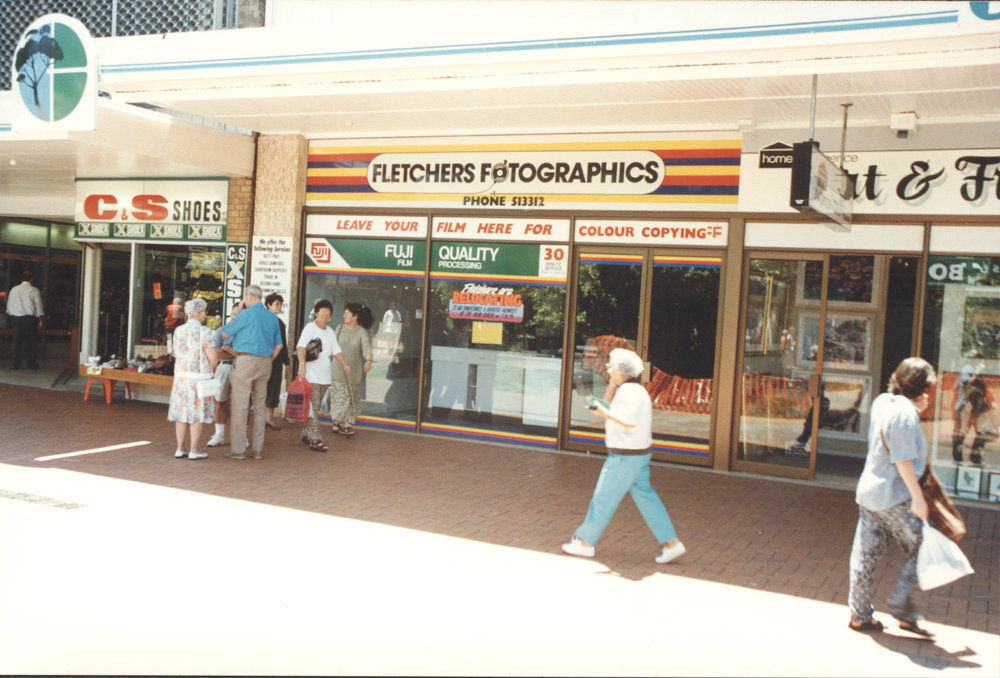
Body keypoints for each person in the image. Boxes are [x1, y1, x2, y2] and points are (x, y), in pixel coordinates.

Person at [561, 348, 686, 564]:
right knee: (648, 500)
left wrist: (605, 413)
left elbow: (627, 420)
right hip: (638, 455)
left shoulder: (629, 393)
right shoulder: (632, 390)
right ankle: (672, 544)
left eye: (611, 364)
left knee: (603, 499)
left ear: (622, 369)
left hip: (624, 457)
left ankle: (586, 543)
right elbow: (607, 408)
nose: (607, 367)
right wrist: (611, 386)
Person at [847, 357, 935, 636]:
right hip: (895, 496)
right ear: (922, 388)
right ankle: (903, 609)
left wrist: (915, 409)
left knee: (865, 555)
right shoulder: (905, 414)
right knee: (921, 546)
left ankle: (859, 614)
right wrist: (918, 498)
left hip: (869, 492)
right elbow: (903, 460)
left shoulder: (883, 402)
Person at [220, 284, 283, 460]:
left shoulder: (245, 314)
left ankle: (238, 451)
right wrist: (268, 359)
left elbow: (226, 333)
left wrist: (237, 311)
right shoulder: (272, 318)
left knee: (240, 405)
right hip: (265, 363)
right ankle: (258, 450)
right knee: (260, 406)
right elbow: (278, 345)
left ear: (248, 296)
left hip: (245, 361)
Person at [167, 298, 218, 460]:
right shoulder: (205, 332)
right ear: (200, 312)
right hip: (199, 378)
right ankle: (194, 449)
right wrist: (213, 368)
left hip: (181, 378)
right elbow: (212, 356)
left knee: (181, 414)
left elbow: (175, 353)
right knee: (197, 415)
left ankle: (180, 448)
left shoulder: (178, 331)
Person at [296, 299, 350, 452]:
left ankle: (306, 433)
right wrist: (302, 365)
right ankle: (314, 439)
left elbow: (336, 351)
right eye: (322, 313)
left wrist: (344, 364)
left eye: (328, 314)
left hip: (325, 375)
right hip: (311, 374)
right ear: (316, 314)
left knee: (315, 406)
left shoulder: (330, 332)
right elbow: (301, 347)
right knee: (313, 406)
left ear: (331, 317)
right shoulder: (309, 328)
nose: (325, 316)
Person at [330, 302, 374, 437]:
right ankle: (341, 422)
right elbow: (332, 346)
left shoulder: (361, 332)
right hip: (338, 368)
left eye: (347, 313)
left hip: (353, 371)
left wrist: (368, 360)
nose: (343, 316)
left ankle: (342, 423)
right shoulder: (339, 328)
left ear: (355, 316)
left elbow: (367, 348)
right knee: (339, 395)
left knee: (349, 396)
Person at [206, 301, 242, 448]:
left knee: (242, 404)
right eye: (233, 314)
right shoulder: (221, 331)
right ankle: (219, 434)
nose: (234, 317)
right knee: (221, 402)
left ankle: (241, 437)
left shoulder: (248, 333)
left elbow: (248, 355)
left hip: (241, 368)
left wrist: (230, 351)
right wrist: (233, 353)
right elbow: (215, 353)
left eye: (238, 315)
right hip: (224, 368)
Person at [7, 270, 44, 370]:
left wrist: (12, 315)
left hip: (16, 318)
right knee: (31, 342)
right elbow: (38, 306)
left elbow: (9, 305)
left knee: (16, 341)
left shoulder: (14, 290)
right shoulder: (34, 290)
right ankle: (31, 364)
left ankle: (15, 364)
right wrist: (40, 319)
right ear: (31, 279)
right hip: (30, 319)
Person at [952, 364, 988, 465]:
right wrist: (977, 372)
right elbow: (966, 384)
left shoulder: (980, 373)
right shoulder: (968, 368)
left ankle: (975, 456)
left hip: (977, 408)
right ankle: (957, 458)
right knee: (961, 433)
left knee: (982, 433)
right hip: (965, 406)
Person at [264, 293, 289, 430]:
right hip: (264, 358)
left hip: (276, 361)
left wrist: (287, 363)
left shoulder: (280, 323)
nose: (279, 307)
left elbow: (283, 344)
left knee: (273, 388)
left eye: (281, 304)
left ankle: (268, 419)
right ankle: (263, 418)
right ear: (269, 305)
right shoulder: (263, 320)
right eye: (276, 304)